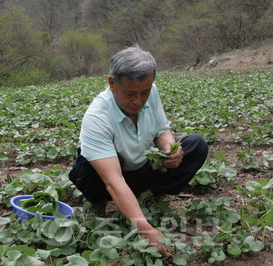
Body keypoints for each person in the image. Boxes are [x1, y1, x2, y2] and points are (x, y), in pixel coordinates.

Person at [69, 45, 208, 257]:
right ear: (112, 84)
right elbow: (113, 181)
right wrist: (145, 229)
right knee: (89, 162)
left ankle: (147, 195)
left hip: (141, 167)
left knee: (195, 144)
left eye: (145, 92)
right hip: (110, 177)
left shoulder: (151, 93)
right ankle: (96, 203)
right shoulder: (97, 117)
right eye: (130, 93)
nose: (138, 101)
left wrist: (169, 147)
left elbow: (162, 130)